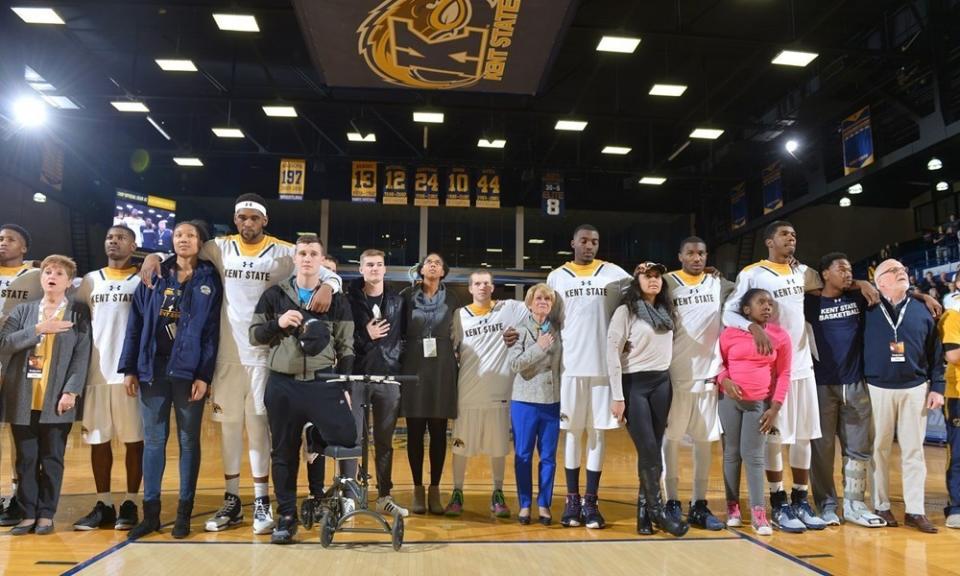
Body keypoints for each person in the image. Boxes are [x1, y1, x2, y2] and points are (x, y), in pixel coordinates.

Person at [140, 193, 341, 535]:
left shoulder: (281, 251)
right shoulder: (219, 247)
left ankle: (261, 499)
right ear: (236, 220)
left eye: (254, 218)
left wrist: (330, 286)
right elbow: (184, 248)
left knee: (259, 428)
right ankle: (232, 500)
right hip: (226, 355)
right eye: (242, 218)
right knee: (229, 428)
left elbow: (320, 267)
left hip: (265, 353)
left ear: (265, 221)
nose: (247, 223)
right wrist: (154, 256)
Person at [249, 234, 356, 544]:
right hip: (282, 384)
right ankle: (286, 516)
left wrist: (344, 384)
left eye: (313, 253)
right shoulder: (273, 297)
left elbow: (346, 347)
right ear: (294, 259)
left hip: (323, 382)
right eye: (302, 253)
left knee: (347, 435)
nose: (307, 258)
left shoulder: (336, 300)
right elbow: (255, 335)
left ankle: (315, 435)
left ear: (322, 261)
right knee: (283, 453)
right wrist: (278, 323)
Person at [120, 220, 222, 540]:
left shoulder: (210, 279)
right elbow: (135, 323)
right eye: (178, 235)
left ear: (200, 242)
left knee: (189, 442)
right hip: (152, 369)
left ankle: (183, 514)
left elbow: (211, 333)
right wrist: (130, 368)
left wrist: (204, 375)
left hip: (188, 373)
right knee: (153, 442)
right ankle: (151, 514)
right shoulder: (154, 273)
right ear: (171, 240)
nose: (183, 240)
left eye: (190, 235)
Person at [723, 220, 827, 533]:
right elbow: (730, 311)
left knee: (804, 436)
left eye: (794, 234)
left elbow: (832, 282)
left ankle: (800, 500)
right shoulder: (753, 272)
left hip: (802, 365)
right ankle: (777, 500)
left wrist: (862, 284)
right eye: (784, 234)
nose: (791, 238)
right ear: (769, 241)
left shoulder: (801, 271)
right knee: (773, 439)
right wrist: (752, 326)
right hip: (772, 369)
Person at [541, 224, 630, 529]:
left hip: (605, 369)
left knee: (597, 433)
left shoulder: (615, 273)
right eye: (584, 240)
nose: (589, 245)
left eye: (594, 241)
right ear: (573, 242)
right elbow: (546, 319)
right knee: (571, 433)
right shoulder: (556, 276)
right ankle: (572, 501)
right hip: (570, 368)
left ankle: (591, 502)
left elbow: (641, 296)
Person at [0, 255, 90, 535]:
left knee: (52, 458)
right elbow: (4, 345)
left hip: (56, 399)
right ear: (41, 279)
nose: (51, 276)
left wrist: (71, 391)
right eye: (47, 271)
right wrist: (39, 329)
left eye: (59, 273)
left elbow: (81, 356)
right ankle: (27, 514)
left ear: (68, 281)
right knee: (26, 458)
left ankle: (46, 515)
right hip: (22, 397)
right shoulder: (23, 312)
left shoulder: (78, 313)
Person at [805, 253, 886, 528]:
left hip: (855, 383)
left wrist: (925, 297)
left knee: (859, 448)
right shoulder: (809, 302)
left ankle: (855, 504)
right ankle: (826, 504)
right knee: (822, 449)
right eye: (841, 268)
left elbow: (895, 296)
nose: (847, 273)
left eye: (851, 269)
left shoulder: (858, 298)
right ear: (825, 274)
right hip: (821, 384)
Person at [72, 226, 144, 531]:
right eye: (109, 237)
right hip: (95, 372)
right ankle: (103, 503)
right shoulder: (89, 281)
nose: (113, 241)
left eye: (120, 238)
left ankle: (130, 502)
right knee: (98, 441)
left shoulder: (143, 279)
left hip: (130, 374)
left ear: (133, 245)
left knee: (134, 442)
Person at [607, 262, 686, 537]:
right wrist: (617, 396)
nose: (653, 280)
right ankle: (658, 512)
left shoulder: (667, 311)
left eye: (657, 277)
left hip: (662, 383)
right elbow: (612, 355)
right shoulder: (625, 311)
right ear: (636, 280)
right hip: (634, 386)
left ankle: (643, 513)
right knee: (650, 450)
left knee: (651, 451)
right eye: (647, 276)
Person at [865, 258, 944, 533]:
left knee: (914, 452)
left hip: (915, 387)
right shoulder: (868, 306)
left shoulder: (923, 308)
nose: (901, 273)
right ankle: (881, 505)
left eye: (903, 270)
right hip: (877, 387)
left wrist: (938, 387)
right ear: (880, 281)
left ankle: (915, 510)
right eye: (893, 271)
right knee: (878, 450)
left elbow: (936, 352)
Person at [662, 237, 733, 531]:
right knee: (671, 441)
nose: (696, 258)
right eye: (690, 252)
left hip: (708, 374)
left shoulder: (719, 284)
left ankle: (699, 504)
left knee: (705, 443)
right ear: (679, 255)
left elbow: (747, 294)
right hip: (675, 374)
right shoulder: (666, 282)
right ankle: (672, 501)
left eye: (701, 253)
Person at [445, 271, 527, 518]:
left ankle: (498, 493)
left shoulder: (508, 309)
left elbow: (540, 304)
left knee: (498, 448)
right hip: (467, 393)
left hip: (499, 392)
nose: (482, 287)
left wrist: (522, 336)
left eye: (486, 283)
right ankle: (457, 492)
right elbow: (450, 349)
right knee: (460, 447)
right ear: (470, 288)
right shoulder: (459, 315)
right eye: (477, 283)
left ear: (493, 287)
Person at [717, 289, 791, 536]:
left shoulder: (780, 336)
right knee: (731, 454)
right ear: (746, 310)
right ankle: (732, 507)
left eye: (770, 303)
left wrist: (775, 407)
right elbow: (719, 365)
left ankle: (759, 512)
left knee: (755, 456)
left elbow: (784, 374)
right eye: (761, 302)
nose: (767, 306)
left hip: (758, 405)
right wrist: (724, 381)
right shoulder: (729, 334)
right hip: (729, 401)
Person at [345, 249, 408, 517]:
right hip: (357, 377)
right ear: (361, 269)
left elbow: (405, 336)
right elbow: (344, 339)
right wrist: (365, 335)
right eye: (369, 264)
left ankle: (384, 496)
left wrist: (396, 359)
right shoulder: (347, 300)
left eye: (379, 265)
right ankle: (349, 496)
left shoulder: (398, 301)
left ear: (385, 270)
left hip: (388, 378)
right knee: (351, 439)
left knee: (384, 441)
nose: (374, 269)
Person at [401, 253, 460, 515]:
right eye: (429, 262)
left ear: (444, 271)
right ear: (421, 269)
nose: (433, 265)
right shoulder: (405, 296)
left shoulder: (454, 299)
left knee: (438, 432)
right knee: (414, 431)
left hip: (442, 367)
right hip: (413, 365)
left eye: (438, 262)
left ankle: (435, 489)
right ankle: (417, 489)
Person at [508, 283, 562, 525]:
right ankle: (525, 504)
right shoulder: (517, 331)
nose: (543, 302)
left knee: (548, 457)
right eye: (539, 298)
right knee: (523, 455)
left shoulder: (560, 330)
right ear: (529, 303)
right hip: (525, 402)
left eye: (547, 300)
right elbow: (515, 364)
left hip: (552, 401)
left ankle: (544, 504)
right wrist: (539, 348)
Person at [0, 224, 42, 526]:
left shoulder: (38, 275)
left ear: (24, 247)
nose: (3, 243)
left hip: (17, 357)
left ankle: (18, 495)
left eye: (11, 239)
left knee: (19, 430)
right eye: (0, 239)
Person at [939, 298, 960, 528]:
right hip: (957, 395)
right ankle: (956, 507)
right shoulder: (954, 315)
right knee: (958, 453)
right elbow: (953, 355)